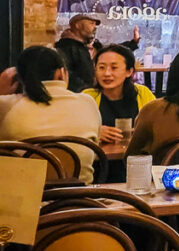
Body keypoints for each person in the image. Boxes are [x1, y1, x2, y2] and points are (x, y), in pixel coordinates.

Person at [0, 46, 102, 182]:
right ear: (61, 72)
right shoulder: (87, 102)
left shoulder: (6, 105)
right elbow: (94, 154)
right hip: (80, 199)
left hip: (24, 200)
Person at [84, 44, 156, 144]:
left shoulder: (142, 93)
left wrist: (142, 133)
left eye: (114, 68)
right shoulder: (87, 97)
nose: (107, 73)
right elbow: (74, 128)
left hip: (136, 156)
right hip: (99, 157)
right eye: (101, 67)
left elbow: (158, 126)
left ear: (129, 71)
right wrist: (94, 132)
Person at [55, 13, 140, 92]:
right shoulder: (65, 47)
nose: (95, 27)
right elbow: (69, 75)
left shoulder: (95, 46)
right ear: (77, 25)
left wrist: (133, 43)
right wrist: (87, 91)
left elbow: (113, 51)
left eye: (95, 24)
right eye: (91, 23)